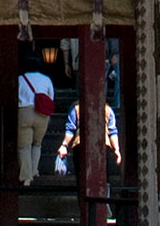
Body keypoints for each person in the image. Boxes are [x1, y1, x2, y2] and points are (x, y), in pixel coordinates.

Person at [56, 97, 121, 185]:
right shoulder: (107, 108)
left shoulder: (76, 107)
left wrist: (64, 145)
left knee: (82, 179)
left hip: (81, 144)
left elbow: (70, 129)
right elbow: (112, 132)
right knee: (102, 178)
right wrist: (116, 149)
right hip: (103, 145)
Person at [17, 55, 55, 186]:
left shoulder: (21, 79)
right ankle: (34, 171)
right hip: (42, 113)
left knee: (24, 146)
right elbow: (51, 97)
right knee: (37, 144)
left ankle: (26, 177)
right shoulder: (46, 79)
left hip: (24, 111)